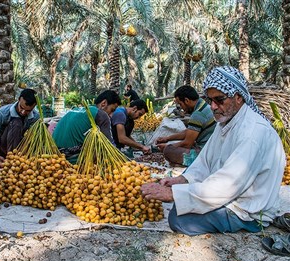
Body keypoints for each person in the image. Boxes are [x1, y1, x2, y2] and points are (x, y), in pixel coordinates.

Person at [141, 66, 286, 236]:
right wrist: (181, 180)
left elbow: (228, 185)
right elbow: (205, 161)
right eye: (210, 100)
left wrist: (173, 193)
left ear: (238, 97)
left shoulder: (253, 133)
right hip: (230, 193)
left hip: (247, 209)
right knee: (181, 205)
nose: (213, 106)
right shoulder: (225, 122)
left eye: (219, 100)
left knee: (179, 219)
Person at [52, 90, 121, 164]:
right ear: (103, 103)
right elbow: (109, 147)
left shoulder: (74, 110)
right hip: (72, 163)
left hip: (53, 159)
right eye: (112, 110)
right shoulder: (101, 115)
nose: (111, 115)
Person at [155, 85, 216, 166]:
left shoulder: (198, 114)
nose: (182, 108)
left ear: (186, 100)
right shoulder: (203, 106)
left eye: (180, 104)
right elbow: (189, 131)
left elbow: (187, 144)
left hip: (206, 152)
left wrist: (167, 147)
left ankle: (195, 163)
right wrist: (167, 138)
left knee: (168, 151)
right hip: (210, 147)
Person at [0, 88, 39, 168]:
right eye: (21, 107)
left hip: (19, 148)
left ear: (34, 107)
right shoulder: (3, 113)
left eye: (28, 111)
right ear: (18, 100)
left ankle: (19, 160)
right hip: (0, 146)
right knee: (16, 123)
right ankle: (13, 161)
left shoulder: (35, 116)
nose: (23, 112)